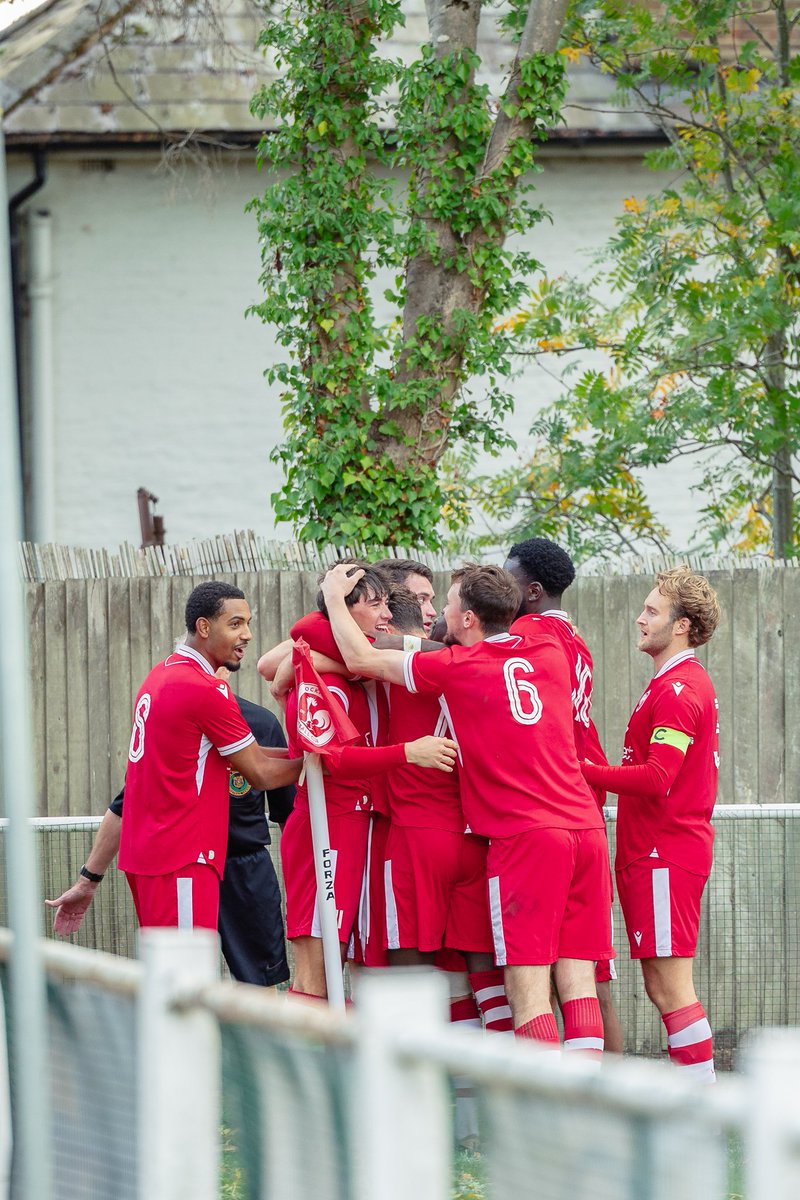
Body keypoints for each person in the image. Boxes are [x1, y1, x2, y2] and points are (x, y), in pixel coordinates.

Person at [321, 562, 613, 1055]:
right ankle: (583, 1117)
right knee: (578, 984)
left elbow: (359, 656)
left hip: (525, 837)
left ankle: (532, 1121)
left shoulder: (460, 668)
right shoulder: (547, 649)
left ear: (469, 619)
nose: (441, 612)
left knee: (528, 991)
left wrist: (333, 596)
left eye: (450, 603)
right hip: (585, 828)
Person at [276, 565, 458, 1000]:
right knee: (316, 977)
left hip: (360, 827)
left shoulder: (363, 670)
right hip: (328, 827)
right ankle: (301, 1065)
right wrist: (409, 752)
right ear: (342, 611)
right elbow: (334, 761)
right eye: (373, 604)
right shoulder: (328, 682)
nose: (385, 614)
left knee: (345, 973)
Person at [46, 691, 296, 987]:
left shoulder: (260, 722)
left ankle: (253, 1035)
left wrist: (302, 889)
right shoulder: (167, 722)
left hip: (245, 868)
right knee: (181, 983)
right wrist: (88, 880)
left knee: (258, 982)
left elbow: (287, 813)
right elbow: (127, 803)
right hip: (185, 867)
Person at [581, 566, 721, 1082]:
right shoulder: (672, 682)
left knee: (670, 987)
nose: (639, 619)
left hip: (666, 854)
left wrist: (582, 771)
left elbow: (660, 776)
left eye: (652, 612)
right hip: (655, 853)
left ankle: (699, 1103)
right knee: (662, 986)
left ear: (682, 625)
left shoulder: (680, 689)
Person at [117, 581, 302, 931]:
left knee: (169, 971)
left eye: (248, 623)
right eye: (235, 624)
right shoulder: (204, 688)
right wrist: (324, 762)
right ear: (204, 627)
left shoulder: (161, 674)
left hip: (149, 854)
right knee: (186, 977)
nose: (247, 634)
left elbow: (245, 755)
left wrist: (298, 754)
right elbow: (260, 773)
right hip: (182, 857)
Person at [503, 536, 623, 1054]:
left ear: (530, 591)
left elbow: (465, 657)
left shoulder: (526, 634)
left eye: (505, 578)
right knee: (584, 976)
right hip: (583, 806)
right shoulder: (573, 636)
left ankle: (547, 1110)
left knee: (532, 978)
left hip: (547, 805)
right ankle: (610, 1102)